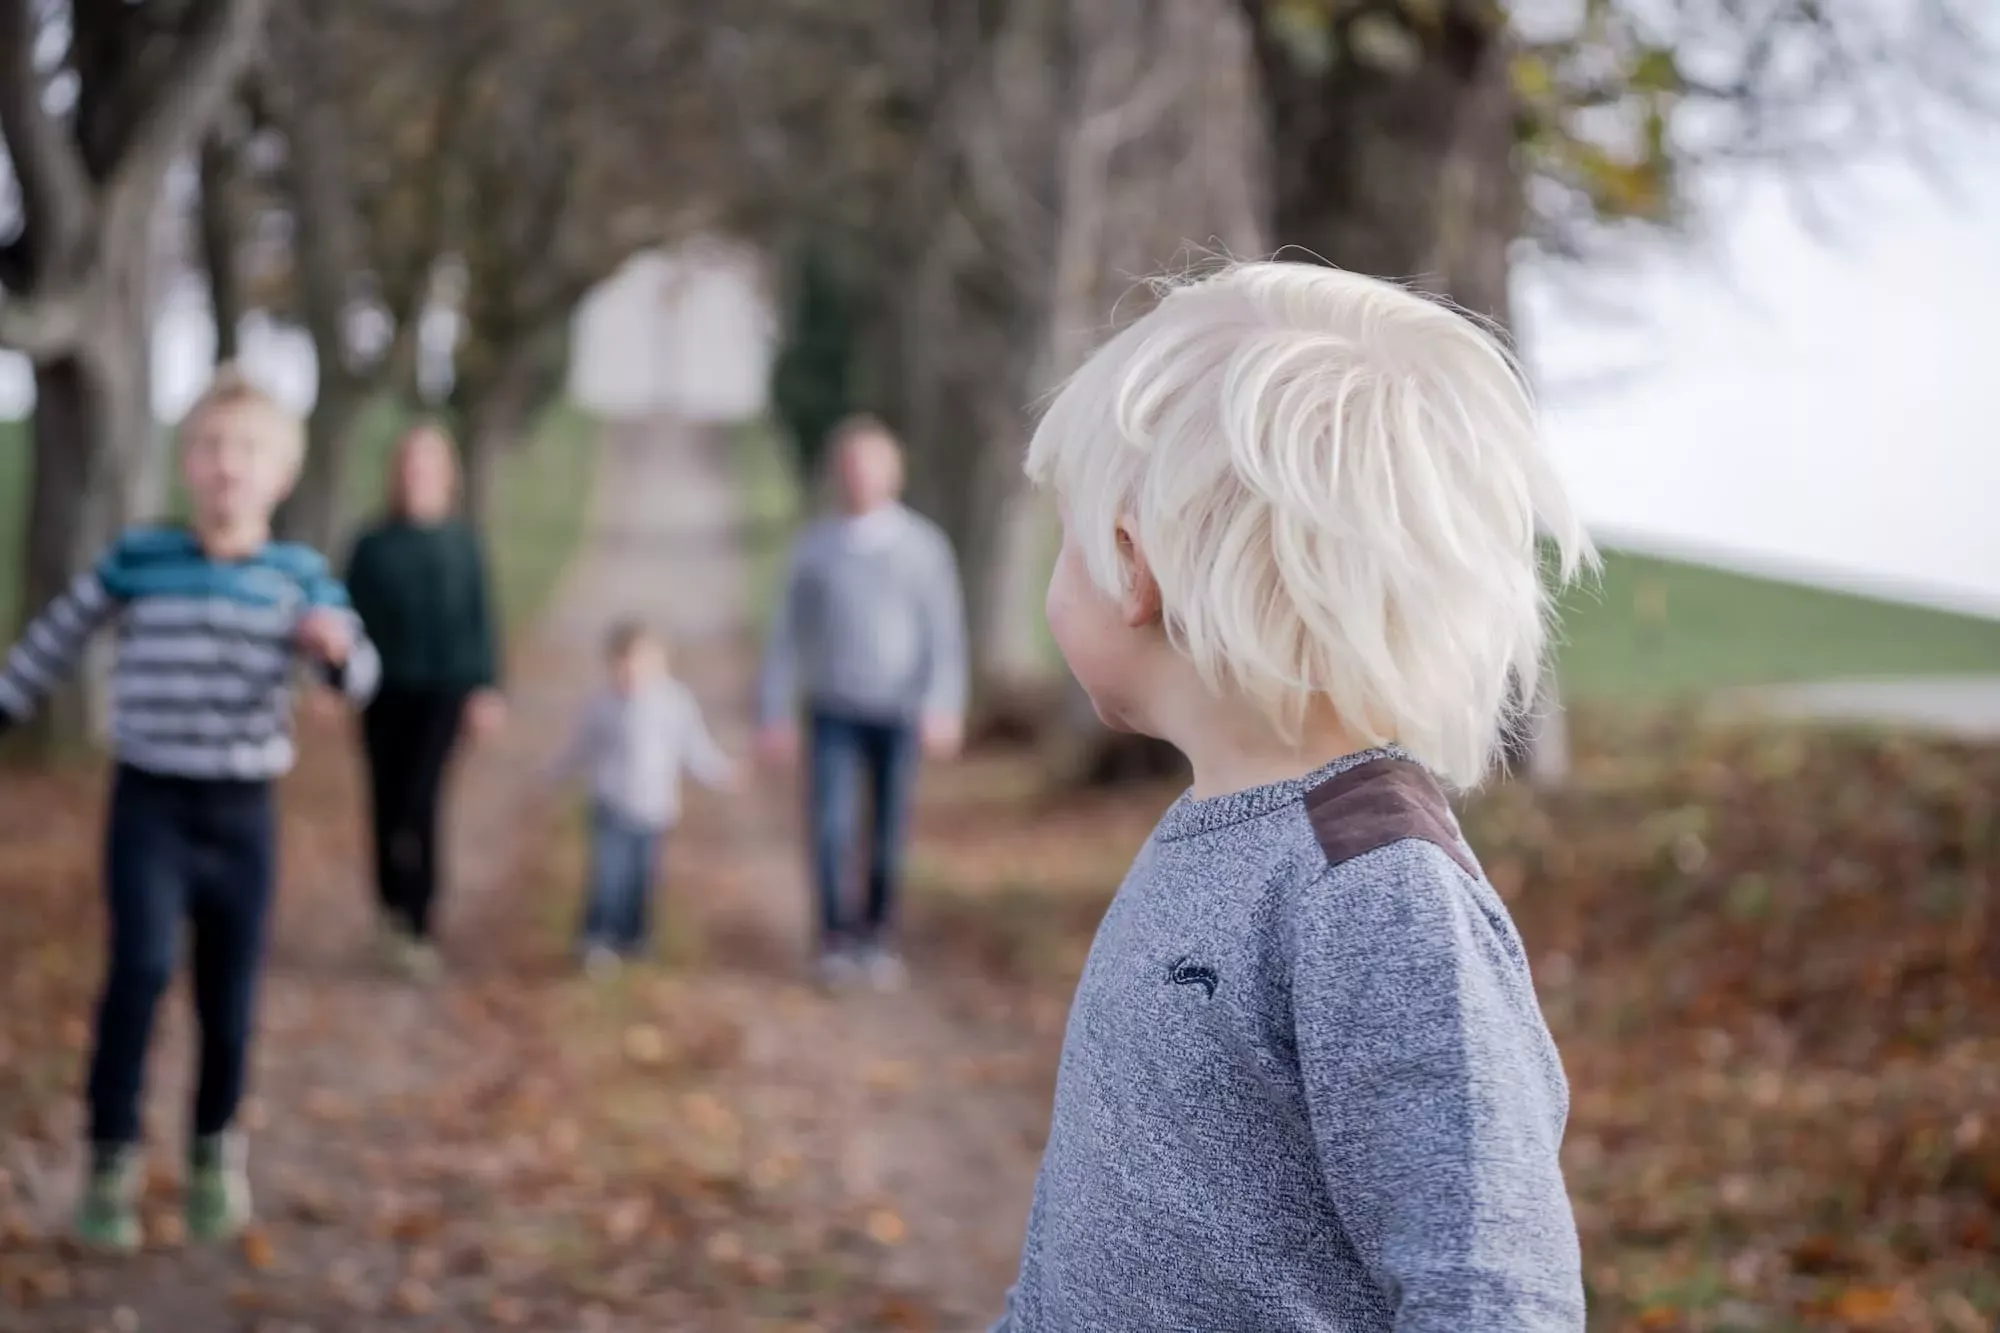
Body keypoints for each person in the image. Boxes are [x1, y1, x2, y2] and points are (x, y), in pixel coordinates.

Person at [992, 262, 1593, 1331]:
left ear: (1131, 569)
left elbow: (1491, 1283)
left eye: (1065, 542)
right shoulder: (1216, 833)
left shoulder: (1374, 890)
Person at [0, 367, 380, 1252]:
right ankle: (111, 1161)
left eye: (246, 450)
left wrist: (333, 652)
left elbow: (359, 672)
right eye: (210, 447)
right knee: (137, 971)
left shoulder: (298, 576)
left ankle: (214, 1149)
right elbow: (54, 636)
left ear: (279, 473)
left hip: (243, 814)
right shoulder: (142, 560)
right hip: (151, 803)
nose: (226, 466)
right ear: (188, 463)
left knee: (230, 998)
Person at [755, 416, 968, 991]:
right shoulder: (815, 549)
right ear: (836, 475)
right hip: (832, 710)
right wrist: (774, 711)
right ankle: (834, 937)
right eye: (850, 467)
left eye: (871, 465)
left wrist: (943, 704)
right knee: (831, 826)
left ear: (893, 473)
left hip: (899, 713)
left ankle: (878, 936)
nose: (860, 478)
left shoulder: (923, 547)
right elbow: (785, 636)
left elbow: (944, 634)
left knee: (889, 831)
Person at [344, 422, 505, 979]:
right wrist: (331, 681)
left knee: (423, 802)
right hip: (381, 694)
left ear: (446, 475)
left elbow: (482, 620)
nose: (418, 476)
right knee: (385, 804)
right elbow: (347, 618)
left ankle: (421, 917)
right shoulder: (372, 544)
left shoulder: (463, 543)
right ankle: (389, 907)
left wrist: (485, 687)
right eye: (410, 465)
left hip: (443, 692)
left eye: (428, 466)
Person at [549, 621, 739, 976]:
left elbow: (695, 749)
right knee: (608, 875)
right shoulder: (602, 705)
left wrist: (723, 772)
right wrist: (553, 774)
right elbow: (578, 749)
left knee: (643, 877)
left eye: (643, 663)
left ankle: (634, 936)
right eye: (625, 664)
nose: (633, 673)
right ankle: (597, 938)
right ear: (612, 664)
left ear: (663, 664)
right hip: (609, 805)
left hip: (654, 809)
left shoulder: (675, 703)